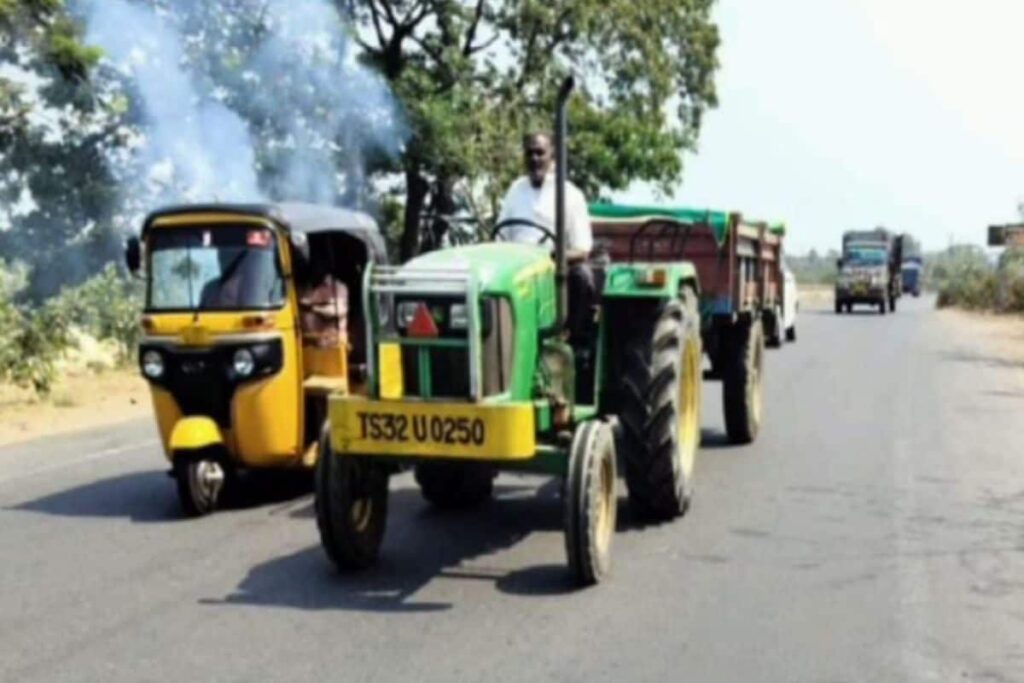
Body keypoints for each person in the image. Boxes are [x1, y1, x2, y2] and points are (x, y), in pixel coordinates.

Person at [497, 132, 596, 346]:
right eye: (529, 153)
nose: (534, 159)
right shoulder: (515, 190)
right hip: (515, 269)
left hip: (551, 270)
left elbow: (582, 250)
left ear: (552, 156)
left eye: (540, 153)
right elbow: (500, 236)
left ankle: (570, 341)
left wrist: (553, 257)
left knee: (581, 276)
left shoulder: (570, 194)